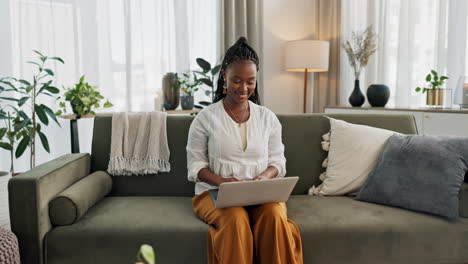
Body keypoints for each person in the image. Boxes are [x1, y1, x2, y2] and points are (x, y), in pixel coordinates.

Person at [186, 36, 303, 264]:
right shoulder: (205, 118)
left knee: (275, 216)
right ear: (224, 77)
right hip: (214, 193)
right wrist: (222, 181)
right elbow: (195, 166)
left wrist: (263, 177)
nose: (244, 87)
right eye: (237, 80)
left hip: (262, 194)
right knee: (235, 219)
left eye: (251, 81)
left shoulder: (267, 118)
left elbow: (278, 162)